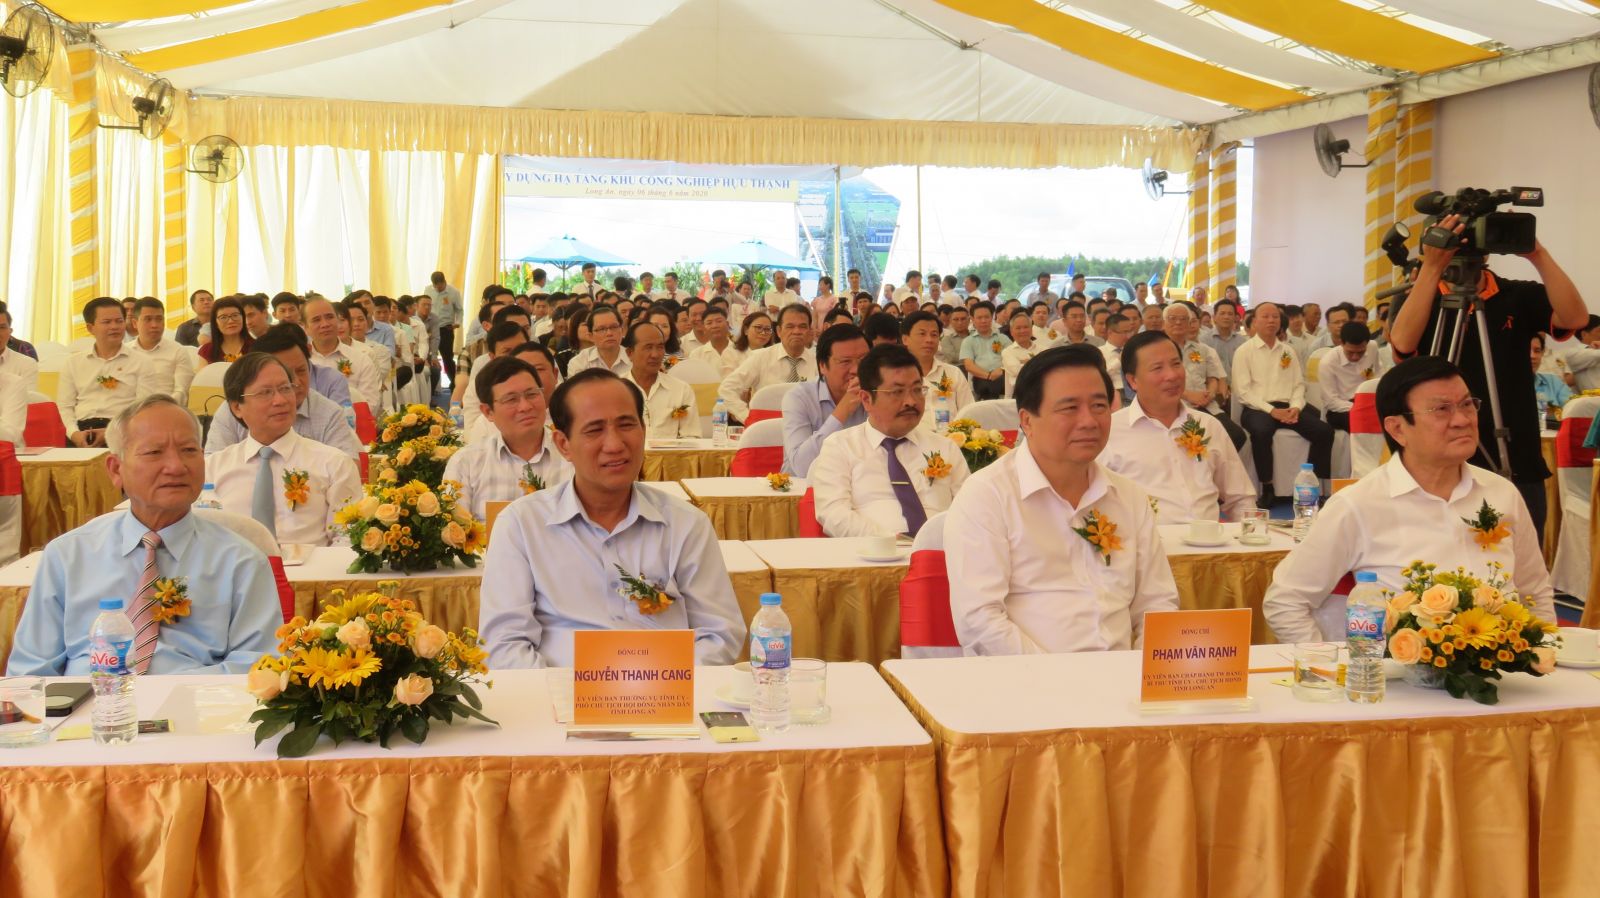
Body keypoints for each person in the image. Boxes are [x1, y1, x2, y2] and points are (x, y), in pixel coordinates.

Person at [1263, 357, 1556, 643]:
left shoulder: (1500, 492)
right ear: (1397, 429)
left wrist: (1542, 659)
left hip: (1503, 676)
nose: (1462, 420)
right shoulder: (1359, 505)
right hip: (1402, 683)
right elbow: (1286, 601)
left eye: (1467, 404)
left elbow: (1535, 592)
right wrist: (1334, 673)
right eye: (1442, 409)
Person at [479, 370, 745, 668]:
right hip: (557, 703)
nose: (615, 444)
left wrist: (661, 689)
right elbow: (503, 643)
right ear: (563, 444)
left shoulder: (686, 524)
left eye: (626, 425)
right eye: (594, 430)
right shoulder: (521, 525)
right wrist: (570, 697)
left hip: (668, 701)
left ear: (644, 430)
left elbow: (719, 633)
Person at [7, 396, 281, 675]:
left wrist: (168, 695)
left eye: (189, 450)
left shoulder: (241, 560)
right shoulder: (67, 555)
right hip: (87, 707)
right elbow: (30, 672)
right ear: (116, 470)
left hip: (198, 710)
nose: (176, 466)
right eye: (154, 453)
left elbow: (257, 668)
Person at [947, 345, 1179, 655]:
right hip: (1027, 686)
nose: (1089, 421)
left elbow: (1157, 602)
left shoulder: (1129, 497)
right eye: (1069, 408)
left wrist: (1143, 672)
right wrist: (1059, 679)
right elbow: (979, 621)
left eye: (1099, 405)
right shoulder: (987, 496)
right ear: (1027, 421)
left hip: (1121, 683)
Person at [1390, 217, 1589, 528]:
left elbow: (1576, 318)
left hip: (1515, 456)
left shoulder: (1517, 295)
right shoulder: (1421, 298)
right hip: (1439, 461)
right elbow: (1402, 344)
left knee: (1520, 571)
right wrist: (1430, 269)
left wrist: (1537, 253)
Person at [810, 344, 970, 538]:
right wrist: (890, 541)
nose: (911, 401)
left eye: (917, 390)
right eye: (897, 392)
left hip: (940, 555)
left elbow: (970, 510)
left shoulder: (945, 447)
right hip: (872, 558)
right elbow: (834, 514)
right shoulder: (840, 447)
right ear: (866, 399)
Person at [206, 353, 362, 546]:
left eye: (285, 389)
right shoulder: (212, 469)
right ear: (237, 407)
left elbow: (347, 540)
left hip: (310, 572)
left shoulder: (333, 464)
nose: (280, 400)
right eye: (265, 392)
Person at [1103, 332, 1254, 524]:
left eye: (1176, 364)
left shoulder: (1207, 425)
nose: (1172, 375)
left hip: (1209, 546)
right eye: (1157, 368)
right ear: (1133, 381)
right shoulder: (1110, 431)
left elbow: (1240, 498)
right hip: (1147, 548)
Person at [444, 356, 572, 520]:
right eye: (511, 399)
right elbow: (454, 534)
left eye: (532, 394)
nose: (525, 407)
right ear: (488, 412)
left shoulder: (575, 453)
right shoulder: (466, 463)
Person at [205, 324, 362, 458]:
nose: (295, 382)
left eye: (301, 370)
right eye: (284, 374)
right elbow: (211, 472)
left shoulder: (329, 413)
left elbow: (348, 470)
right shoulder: (235, 408)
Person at [1232, 302, 1334, 506]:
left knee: (1324, 431)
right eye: (1266, 317)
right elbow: (1243, 392)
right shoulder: (1244, 351)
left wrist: (1295, 407)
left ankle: (1313, 486)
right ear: (1254, 321)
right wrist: (1272, 411)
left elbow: (1299, 384)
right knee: (1261, 433)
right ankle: (1268, 487)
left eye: (1275, 317)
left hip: (1288, 407)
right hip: (1257, 408)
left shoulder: (1288, 350)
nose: (1271, 321)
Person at [781, 323, 869, 477]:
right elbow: (801, 467)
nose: (856, 369)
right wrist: (843, 409)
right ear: (822, 365)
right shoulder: (799, 398)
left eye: (863, 360)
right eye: (845, 362)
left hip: (860, 486)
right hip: (804, 492)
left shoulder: (878, 394)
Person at [61, 297, 151, 448]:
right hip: (81, 431)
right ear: (90, 328)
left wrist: (111, 432)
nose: (114, 326)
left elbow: (144, 408)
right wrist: (74, 434)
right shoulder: (73, 363)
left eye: (119, 321)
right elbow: (65, 407)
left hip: (123, 431)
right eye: (107, 322)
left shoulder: (142, 362)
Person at [1166, 302, 1247, 450]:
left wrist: (1210, 393)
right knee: (1197, 443)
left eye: (1183, 319)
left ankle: (1213, 469)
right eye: (1172, 318)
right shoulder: (1159, 349)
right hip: (1178, 406)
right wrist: (1189, 396)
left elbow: (1213, 377)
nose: (1178, 322)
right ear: (1165, 322)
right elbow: (1161, 383)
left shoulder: (1201, 349)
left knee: (1237, 436)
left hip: (1207, 404)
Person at [718, 304, 816, 422]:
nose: (796, 331)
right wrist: (748, 418)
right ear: (779, 331)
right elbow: (726, 389)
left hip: (806, 428)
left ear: (810, 331)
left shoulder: (819, 361)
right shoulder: (761, 357)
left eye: (803, 326)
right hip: (766, 429)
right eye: (790, 326)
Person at [622, 320, 701, 439]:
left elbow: (692, 438)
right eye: (648, 347)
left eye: (660, 347)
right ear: (629, 353)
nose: (655, 354)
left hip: (672, 457)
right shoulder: (616, 390)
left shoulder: (681, 389)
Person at [305, 295, 381, 409]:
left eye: (330, 317)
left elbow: (370, 405)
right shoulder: (301, 361)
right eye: (316, 320)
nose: (325, 324)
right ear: (305, 327)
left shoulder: (361, 360)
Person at [900, 311, 973, 424]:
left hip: (950, 438)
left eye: (934, 335)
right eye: (922, 334)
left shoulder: (953, 373)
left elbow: (969, 412)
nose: (929, 340)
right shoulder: (895, 375)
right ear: (905, 339)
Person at [125, 297, 196, 405]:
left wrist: (161, 408)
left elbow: (181, 392)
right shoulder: (125, 352)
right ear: (135, 323)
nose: (154, 325)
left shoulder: (178, 351)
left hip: (166, 411)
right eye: (148, 319)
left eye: (159, 319)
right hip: (129, 413)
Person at [1317, 321, 1382, 431]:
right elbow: (1331, 402)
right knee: (1364, 423)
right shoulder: (1328, 362)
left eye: (1361, 352)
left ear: (1367, 343)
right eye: (1350, 352)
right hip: (1341, 408)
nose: (1355, 357)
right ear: (1341, 343)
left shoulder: (1373, 347)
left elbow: (1379, 375)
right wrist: (1361, 408)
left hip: (1368, 400)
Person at [960, 301, 1011, 400]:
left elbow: (1011, 358)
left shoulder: (1003, 338)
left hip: (1002, 375)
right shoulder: (968, 341)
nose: (983, 321)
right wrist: (988, 376)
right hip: (980, 378)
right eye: (979, 318)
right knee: (988, 386)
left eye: (987, 317)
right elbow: (969, 366)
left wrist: (1001, 370)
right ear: (972, 319)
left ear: (992, 317)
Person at [566, 305, 630, 376]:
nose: (609, 333)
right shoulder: (579, 362)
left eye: (614, 327)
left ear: (622, 330)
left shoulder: (634, 358)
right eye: (602, 329)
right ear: (591, 336)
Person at [423, 272, 463, 386]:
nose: (437, 288)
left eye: (439, 286)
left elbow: (459, 310)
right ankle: (432, 384)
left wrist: (458, 323)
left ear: (444, 282)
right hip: (429, 327)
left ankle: (454, 383)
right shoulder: (428, 290)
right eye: (435, 286)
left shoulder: (453, 292)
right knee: (428, 354)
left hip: (446, 328)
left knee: (447, 357)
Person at [1531, 334, 1574, 430]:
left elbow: (1572, 411)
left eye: (1537, 351)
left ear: (1542, 353)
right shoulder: (1498, 386)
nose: (1532, 356)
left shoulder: (1553, 382)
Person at [199, 296, 254, 364]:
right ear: (216, 323)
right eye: (223, 317)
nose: (230, 321)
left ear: (243, 318)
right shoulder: (207, 351)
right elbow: (201, 374)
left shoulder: (257, 347)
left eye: (235, 315)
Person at [1000, 313, 1043, 399]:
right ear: (1011, 332)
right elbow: (1017, 371)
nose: (1022, 331)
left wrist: (1025, 362)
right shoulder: (1007, 352)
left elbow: (1047, 371)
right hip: (1019, 396)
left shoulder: (1043, 349)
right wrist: (1037, 363)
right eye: (1018, 328)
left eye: (1026, 327)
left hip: (1042, 392)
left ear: (1031, 329)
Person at [690, 305, 741, 376]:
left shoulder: (741, 350)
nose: (715, 326)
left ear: (727, 324)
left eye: (719, 321)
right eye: (709, 323)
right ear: (704, 328)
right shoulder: (696, 355)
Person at [1201, 298, 1248, 376]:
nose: (1226, 317)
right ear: (1214, 317)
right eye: (1222, 313)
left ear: (1235, 318)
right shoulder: (1203, 340)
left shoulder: (1242, 342)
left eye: (1230, 314)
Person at [1100, 309, 1135, 403]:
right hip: (1111, 393)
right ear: (1110, 332)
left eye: (1130, 331)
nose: (1128, 336)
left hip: (1135, 391)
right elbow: (1100, 376)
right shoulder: (1099, 352)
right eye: (1124, 332)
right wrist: (1119, 360)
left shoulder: (1133, 351)